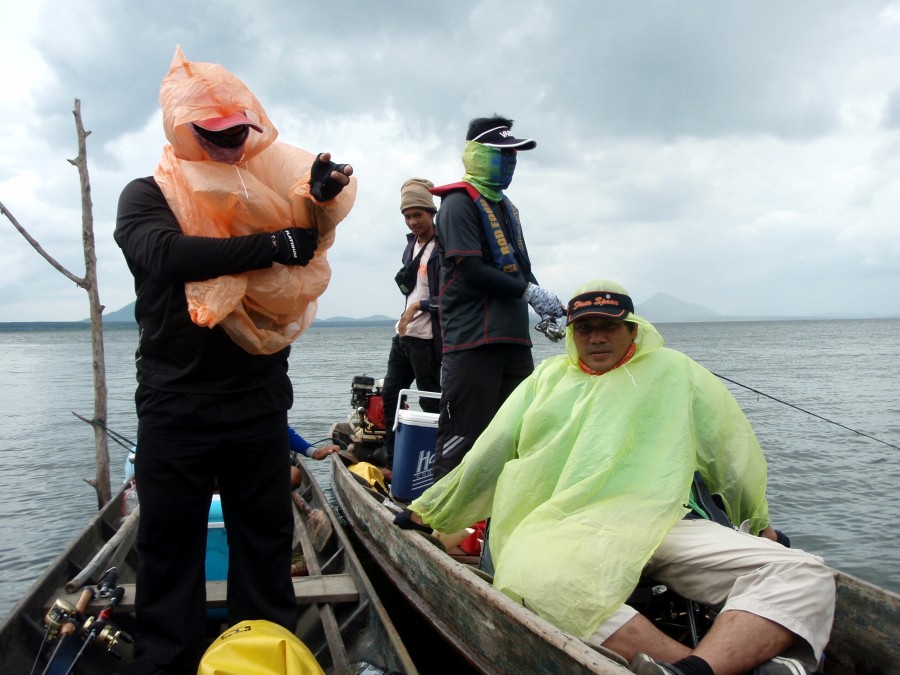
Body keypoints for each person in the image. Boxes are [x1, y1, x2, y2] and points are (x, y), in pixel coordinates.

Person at [396, 279, 835, 675]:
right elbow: (490, 454)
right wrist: (431, 512)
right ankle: (694, 665)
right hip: (564, 521)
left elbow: (729, 452)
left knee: (802, 571)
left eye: (608, 326)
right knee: (541, 581)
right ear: (571, 333)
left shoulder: (674, 372)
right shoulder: (546, 379)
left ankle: (697, 670)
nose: (596, 337)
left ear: (632, 329)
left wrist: (757, 522)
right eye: (584, 328)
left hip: (661, 518)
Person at [114, 48, 355, 674]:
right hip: (175, 404)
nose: (227, 146)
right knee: (168, 547)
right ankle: (167, 662)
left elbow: (313, 227)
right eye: (211, 135)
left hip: (258, 402)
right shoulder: (145, 197)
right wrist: (274, 244)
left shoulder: (268, 192)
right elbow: (167, 256)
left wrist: (321, 196)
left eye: (237, 134)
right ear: (180, 130)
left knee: (267, 543)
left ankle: (265, 656)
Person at [428, 115, 565, 481]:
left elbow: (517, 267)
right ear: (475, 155)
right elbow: (471, 269)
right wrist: (528, 291)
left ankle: (495, 514)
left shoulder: (505, 207)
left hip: (514, 340)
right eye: (501, 155)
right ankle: (438, 518)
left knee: (517, 431)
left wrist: (543, 304)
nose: (510, 164)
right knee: (463, 434)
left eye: (514, 157)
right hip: (474, 341)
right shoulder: (458, 204)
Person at [379, 178, 442, 466]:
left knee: (430, 400)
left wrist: (419, 305)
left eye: (418, 214)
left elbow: (454, 298)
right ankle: (393, 457)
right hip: (404, 335)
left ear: (432, 212)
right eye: (407, 216)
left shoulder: (442, 248)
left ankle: (435, 461)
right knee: (390, 394)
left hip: (427, 339)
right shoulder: (411, 246)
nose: (412, 221)